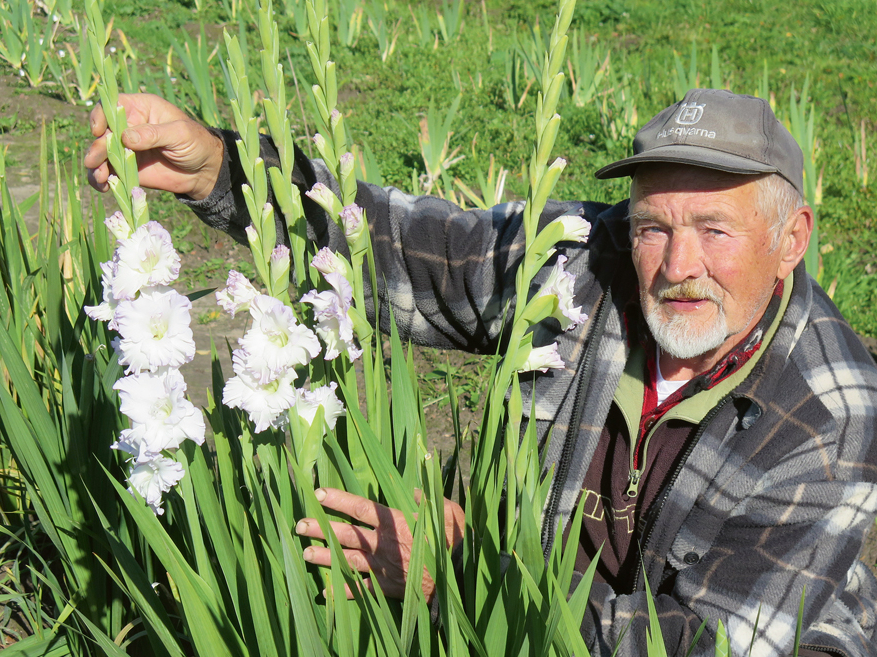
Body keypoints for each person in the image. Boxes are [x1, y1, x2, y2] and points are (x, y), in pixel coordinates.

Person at [85, 89, 877, 656]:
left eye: (713, 229)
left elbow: (700, 644)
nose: (676, 265)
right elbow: (393, 247)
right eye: (651, 226)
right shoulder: (581, 267)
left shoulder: (827, 410)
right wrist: (222, 173)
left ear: (792, 237)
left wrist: (464, 573)